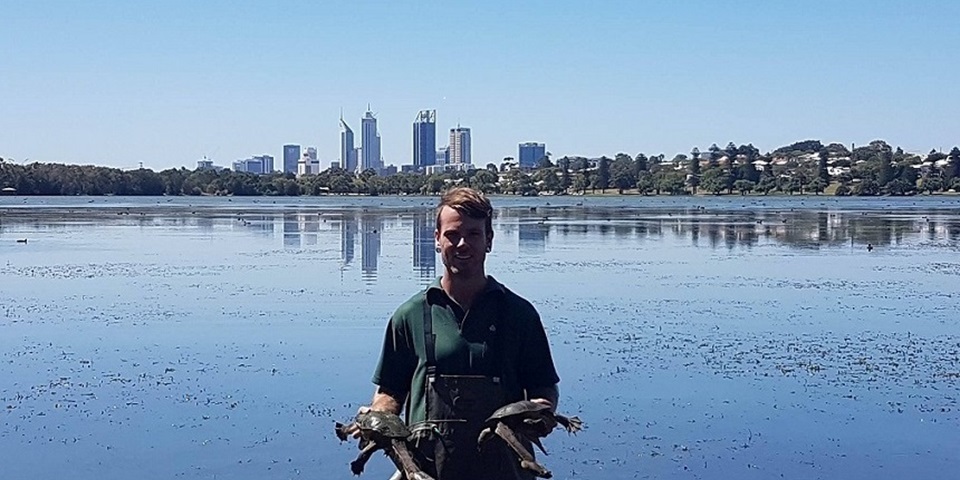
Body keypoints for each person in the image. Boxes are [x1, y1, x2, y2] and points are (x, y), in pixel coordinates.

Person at [349, 187, 561, 480]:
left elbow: (543, 390)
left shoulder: (519, 315)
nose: (463, 244)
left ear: (489, 240)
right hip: (426, 473)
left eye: (474, 234)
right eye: (452, 234)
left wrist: (540, 414)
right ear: (437, 239)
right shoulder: (410, 315)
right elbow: (389, 392)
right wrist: (379, 417)